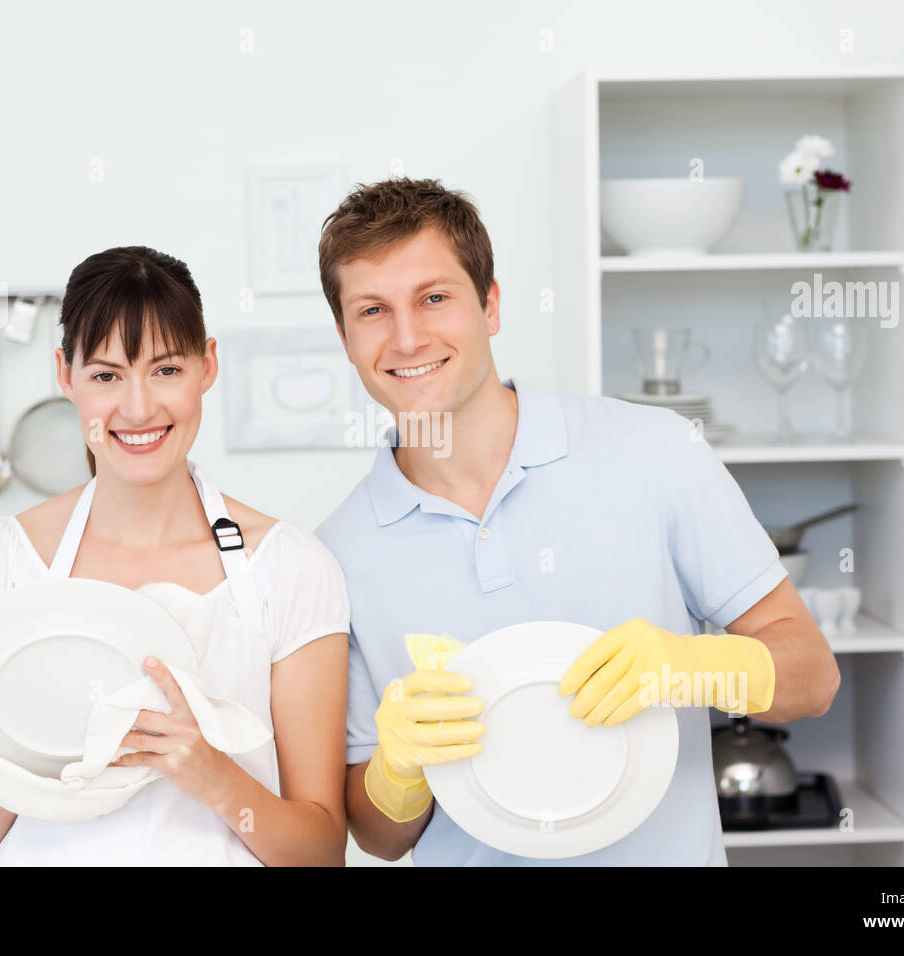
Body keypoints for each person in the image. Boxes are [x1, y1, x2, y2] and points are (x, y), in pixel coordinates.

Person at [313, 178, 841, 865]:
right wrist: (398, 767)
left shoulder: (656, 452)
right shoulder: (335, 554)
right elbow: (378, 839)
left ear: (491, 304)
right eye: (373, 310)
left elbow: (814, 677)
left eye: (434, 298)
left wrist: (692, 665)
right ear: (345, 336)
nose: (408, 337)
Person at [0, 246, 349, 866]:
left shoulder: (289, 567)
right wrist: (38, 752)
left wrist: (210, 773)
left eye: (166, 369)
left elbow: (322, 854)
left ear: (207, 366)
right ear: (64, 375)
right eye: (105, 375)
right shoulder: (5, 563)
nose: (137, 408)